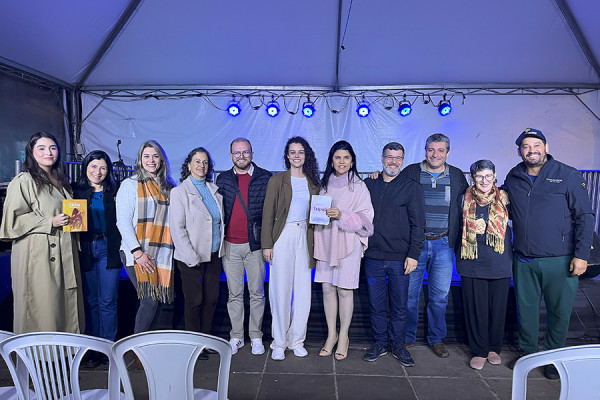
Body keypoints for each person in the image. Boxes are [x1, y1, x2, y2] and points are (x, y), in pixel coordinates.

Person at [504, 128, 594, 379]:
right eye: (525, 146)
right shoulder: (514, 176)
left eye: (536, 145)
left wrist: (581, 255)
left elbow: (585, 216)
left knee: (559, 311)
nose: (531, 150)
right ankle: (528, 353)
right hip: (523, 259)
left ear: (545, 146)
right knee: (527, 309)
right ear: (519, 151)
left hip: (560, 259)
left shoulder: (567, 174)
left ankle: (553, 358)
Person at [0, 131, 83, 334]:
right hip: (38, 255)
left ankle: (62, 354)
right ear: (31, 152)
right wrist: (49, 221)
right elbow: (12, 221)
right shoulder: (23, 181)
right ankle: (38, 357)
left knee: (62, 304)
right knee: (43, 305)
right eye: (42, 148)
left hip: (64, 252)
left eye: (53, 148)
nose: (49, 152)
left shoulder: (61, 182)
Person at [400, 133, 469, 358]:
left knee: (439, 297)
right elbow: (393, 192)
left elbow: (468, 205)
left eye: (440, 150)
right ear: (425, 150)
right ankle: (407, 337)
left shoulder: (457, 176)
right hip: (415, 245)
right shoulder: (411, 172)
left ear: (448, 153)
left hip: (444, 244)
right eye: (431, 150)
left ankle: (436, 339)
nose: (435, 154)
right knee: (409, 295)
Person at [362, 142, 425, 366]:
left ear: (403, 160)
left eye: (398, 158)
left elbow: (419, 225)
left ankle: (397, 345)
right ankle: (380, 343)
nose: (393, 162)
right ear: (381, 158)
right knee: (376, 304)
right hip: (373, 257)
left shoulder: (411, 187)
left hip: (401, 259)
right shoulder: (369, 184)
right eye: (389, 157)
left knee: (400, 306)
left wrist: (414, 254)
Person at [314, 140, 374, 361]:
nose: (342, 161)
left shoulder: (358, 186)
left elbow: (367, 220)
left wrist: (342, 216)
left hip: (348, 243)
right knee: (328, 289)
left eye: (346, 158)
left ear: (352, 161)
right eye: (338, 157)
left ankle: (344, 337)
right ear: (332, 159)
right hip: (326, 241)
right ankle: (331, 335)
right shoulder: (323, 184)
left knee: (344, 290)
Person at [261, 137, 321, 360]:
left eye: (301, 152)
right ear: (287, 155)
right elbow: (267, 214)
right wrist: (267, 244)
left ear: (307, 155)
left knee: (303, 291)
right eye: (293, 152)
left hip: (305, 236)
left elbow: (318, 214)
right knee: (280, 290)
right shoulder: (276, 180)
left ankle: (297, 340)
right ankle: (279, 342)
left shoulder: (313, 182)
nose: (297, 156)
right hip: (282, 236)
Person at [216, 138, 272, 355]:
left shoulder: (265, 177)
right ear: (231, 156)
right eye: (237, 153)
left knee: (257, 292)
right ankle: (236, 336)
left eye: (245, 152)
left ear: (252, 153)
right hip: (230, 246)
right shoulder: (223, 179)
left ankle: (256, 336)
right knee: (234, 294)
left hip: (255, 246)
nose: (241, 156)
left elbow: (271, 212)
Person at [116, 140, 176, 342]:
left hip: (161, 253)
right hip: (137, 252)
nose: (151, 160)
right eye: (146, 156)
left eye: (155, 156)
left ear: (161, 159)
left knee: (157, 299)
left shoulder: (168, 186)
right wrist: (137, 252)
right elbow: (122, 222)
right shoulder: (130, 185)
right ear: (140, 160)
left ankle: (152, 345)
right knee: (149, 300)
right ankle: (136, 347)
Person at [457, 160, 512, 370]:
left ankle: (494, 348)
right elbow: (455, 224)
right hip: (472, 261)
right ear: (472, 178)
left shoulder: (505, 198)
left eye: (488, 176)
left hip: (500, 261)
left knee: (497, 309)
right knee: (475, 308)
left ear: (495, 176)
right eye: (479, 176)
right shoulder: (463, 198)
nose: (484, 180)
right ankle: (478, 350)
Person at [169, 147, 224, 359]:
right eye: (197, 161)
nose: (201, 166)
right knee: (195, 301)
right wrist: (190, 257)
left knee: (211, 300)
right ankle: (194, 343)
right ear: (189, 164)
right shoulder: (179, 192)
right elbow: (177, 228)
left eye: (205, 162)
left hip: (213, 255)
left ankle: (205, 339)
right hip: (191, 257)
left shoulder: (213, 189)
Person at [72, 150, 122, 368]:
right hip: (85, 246)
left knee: (107, 301)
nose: (97, 172)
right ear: (85, 168)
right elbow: (73, 225)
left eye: (102, 167)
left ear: (108, 170)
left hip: (108, 248)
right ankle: (92, 348)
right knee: (90, 300)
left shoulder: (115, 191)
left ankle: (108, 348)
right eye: (93, 166)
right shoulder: (76, 191)